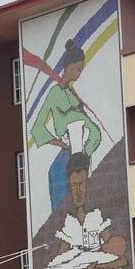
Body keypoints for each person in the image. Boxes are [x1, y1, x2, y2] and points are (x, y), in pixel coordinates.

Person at [29, 39, 102, 211]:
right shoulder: (55, 94)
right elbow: (37, 128)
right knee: (63, 198)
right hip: (68, 154)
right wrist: (60, 143)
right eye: (78, 69)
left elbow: (94, 132)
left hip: (82, 156)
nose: (79, 74)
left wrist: (85, 154)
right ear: (68, 67)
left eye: (81, 70)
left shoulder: (74, 95)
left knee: (84, 200)